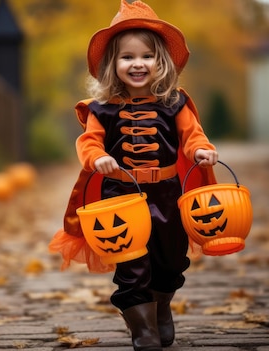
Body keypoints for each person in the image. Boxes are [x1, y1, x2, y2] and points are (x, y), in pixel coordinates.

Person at [49, 1, 219, 350]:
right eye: (127, 57)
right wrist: (97, 159)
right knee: (130, 263)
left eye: (146, 56)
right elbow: (88, 143)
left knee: (170, 260)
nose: (137, 64)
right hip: (120, 197)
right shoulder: (102, 110)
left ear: (161, 62)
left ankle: (161, 307)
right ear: (112, 64)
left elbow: (193, 136)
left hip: (168, 195)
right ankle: (143, 329)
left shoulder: (175, 103)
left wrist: (201, 151)